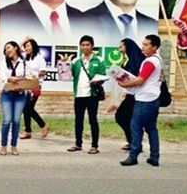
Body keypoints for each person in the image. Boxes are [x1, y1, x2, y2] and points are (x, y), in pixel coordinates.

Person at [116, 34, 163, 167]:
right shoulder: (157, 59)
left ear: (154, 47)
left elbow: (140, 80)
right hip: (154, 98)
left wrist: (125, 84)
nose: (143, 47)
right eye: (143, 44)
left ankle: (133, 155)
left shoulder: (149, 62)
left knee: (135, 126)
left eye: (146, 45)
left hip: (144, 99)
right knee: (151, 128)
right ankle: (154, 156)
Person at [67, 35, 107, 154]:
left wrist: (97, 80)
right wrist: (64, 68)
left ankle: (94, 145)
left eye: (88, 45)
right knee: (78, 120)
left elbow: (103, 75)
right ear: (80, 46)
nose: (85, 47)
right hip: (79, 94)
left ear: (92, 46)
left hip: (92, 94)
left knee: (92, 119)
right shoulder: (76, 61)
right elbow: (70, 75)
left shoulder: (99, 60)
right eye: (83, 45)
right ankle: (78, 143)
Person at [111, 38, 145, 150]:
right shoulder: (129, 60)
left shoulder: (139, 60)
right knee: (126, 118)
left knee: (122, 116)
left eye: (121, 46)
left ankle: (135, 143)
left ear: (127, 46)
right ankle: (133, 142)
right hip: (131, 93)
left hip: (137, 95)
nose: (119, 49)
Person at [0, 41, 31, 156]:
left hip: (20, 95)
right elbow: (2, 77)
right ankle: (3, 145)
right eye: (5, 49)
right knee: (7, 120)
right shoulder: (3, 63)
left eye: (9, 48)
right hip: (7, 94)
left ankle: (14, 145)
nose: (7, 50)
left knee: (16, 120)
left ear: (16, 48)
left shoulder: (24, 63)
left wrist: (23, 85)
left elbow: (28, 78)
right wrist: (9, 79)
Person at [19, 37, 49, 140]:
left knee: (28, 108)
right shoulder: (25, 58)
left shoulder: (39, 58)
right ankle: (27, 131)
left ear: (33, 46)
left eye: (28, 46)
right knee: (25, 108)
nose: (26, 48)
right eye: (25, 46)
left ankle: (43, 125)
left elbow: (44, 72)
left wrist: (34, 74)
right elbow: (16, 49)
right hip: (26, 85)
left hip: (35, 85)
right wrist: (24, 40)